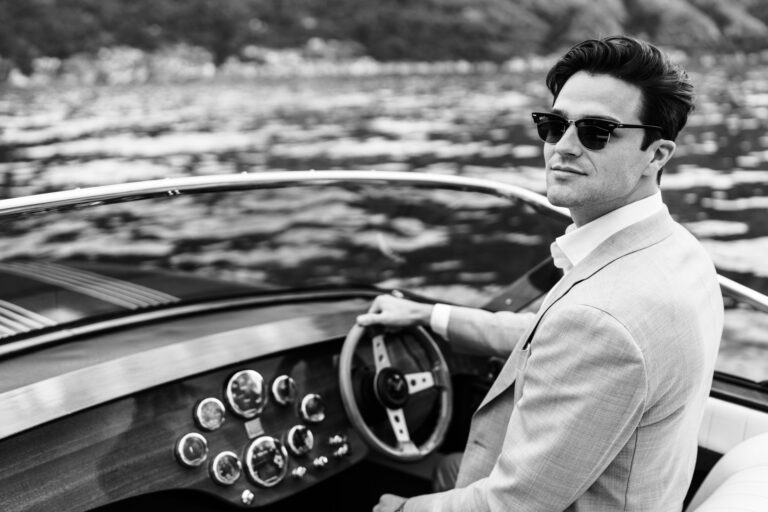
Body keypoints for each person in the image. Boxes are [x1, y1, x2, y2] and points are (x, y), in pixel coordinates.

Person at [362, 35, 724, 511]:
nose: (564, 147)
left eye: (597, 131)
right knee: (449, 469)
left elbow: (512, 506)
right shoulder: (680, 251)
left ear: (656, 155)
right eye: (553, 125)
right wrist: (432, 316)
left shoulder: (604, 319)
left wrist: (399, 510)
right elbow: (560, 337)